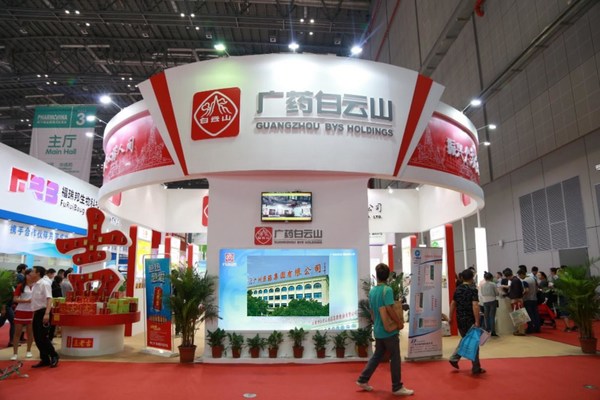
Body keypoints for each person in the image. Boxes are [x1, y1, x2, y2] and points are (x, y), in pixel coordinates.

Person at [356, 263, 414, 396]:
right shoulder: (387, 290)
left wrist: (376, 323)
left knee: (377, 355)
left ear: (377, 276)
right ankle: (397, 387)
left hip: (378, 330)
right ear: (387, 276)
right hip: (389, 331)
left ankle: (363, 379)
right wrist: (399, 322)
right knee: (395, 357)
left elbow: (372, 312)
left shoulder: (372, 291)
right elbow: (389, 309)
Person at [448, 268, 485, 374]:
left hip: (460, 319)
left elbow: (453, 303)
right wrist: (477, 321)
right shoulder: (473, 289)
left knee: (466, 339)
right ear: (472, 278)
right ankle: (476, 368)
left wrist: (450, 317)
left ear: (462, 278)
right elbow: (475, 305)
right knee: (474, 342)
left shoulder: (458, 289)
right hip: (470, 319)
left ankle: (455, 358)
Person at [30, 266, 59, 368]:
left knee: (42, 336)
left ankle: (54, 355)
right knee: (37, 338)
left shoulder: (44, 284)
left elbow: (49, 299)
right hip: (37, 313)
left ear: (38, 273)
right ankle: (45, 359)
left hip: (44, 312)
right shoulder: (35, 285)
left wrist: (47, 313)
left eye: (33, 271)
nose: (31, 273)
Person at [10, 269, 34, 360]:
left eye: (32, 275)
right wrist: (27, 301)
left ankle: (29, 351)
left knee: (30, 333)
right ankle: (15, 353)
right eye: (29, 275)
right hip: (20, 311)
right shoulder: (21, 286)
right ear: (26, 275)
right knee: (17, 333)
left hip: (32, 311)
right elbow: (15, 299)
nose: (31, 276)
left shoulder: (37, 286)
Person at [479, 272, 499, 336]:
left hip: (485, 301)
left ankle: (487, 330)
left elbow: (481, 293)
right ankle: (493, 331)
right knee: (492, 316)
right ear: (491, 278)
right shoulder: (493, 284)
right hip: (492, 300)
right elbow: (497, 293)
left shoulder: (482, 285)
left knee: (486, 316)